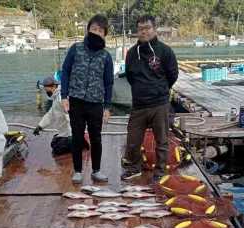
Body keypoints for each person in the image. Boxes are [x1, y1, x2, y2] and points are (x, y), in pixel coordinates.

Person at [121, 15, 179, 183]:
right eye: (140, 29)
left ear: (154, 29)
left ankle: (160, 171)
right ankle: (134, 168)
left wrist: (159, 89)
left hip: (159, 104)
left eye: (147, 28)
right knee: (132, 141)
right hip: (138, 105)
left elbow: (172, 75)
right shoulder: (132, 53)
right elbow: (130, 76)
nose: (144, 31)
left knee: (162, 141)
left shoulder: (165, 51)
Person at [60, 14, 114, 184]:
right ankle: (77, 170)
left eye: (100, 30)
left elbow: (109, 82)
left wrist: (107, 107)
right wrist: (64, 97)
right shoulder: (75, 49)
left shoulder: (106, 57)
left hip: (96, 103)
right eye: (94, 29)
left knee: (96, 137)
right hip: (76, 100)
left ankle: (96, 170)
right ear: (88, 29)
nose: (96, 32)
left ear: (104, 34)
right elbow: (66, 72)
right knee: (77, 137)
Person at [33, 76, 90, 155]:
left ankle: (80, 142)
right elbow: (50, 114)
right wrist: (40, 126)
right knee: (55, 141)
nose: (46, 92)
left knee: (57, 147)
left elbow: (70, 118)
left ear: (53, 87)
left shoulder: (62, 98)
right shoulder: (55, 97)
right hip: (64, 130)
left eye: (47, 90)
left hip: (71, 131)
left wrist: (71, 135)